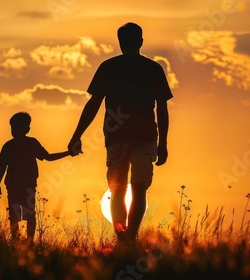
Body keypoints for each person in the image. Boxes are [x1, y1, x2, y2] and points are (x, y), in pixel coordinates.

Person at [68, 22, 173, 249]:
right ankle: (129, 239)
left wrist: (77, 135)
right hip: (143, 137)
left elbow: (93, 104)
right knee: (137, 188)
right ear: (141, 41)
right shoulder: (152, 69)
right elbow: (162, 109)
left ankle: (125, 240)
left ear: (120, 42)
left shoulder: (109, 67)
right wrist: (163, 143)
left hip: (121, 137)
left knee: (119, 190)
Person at [0, 112, 73, 241]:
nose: (14, 131)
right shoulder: (8, 146)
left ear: (27, 129)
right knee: (14, 215)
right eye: (12, 128)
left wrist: (68, 153)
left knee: (29, 214)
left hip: (28, 186)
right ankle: (16, 241)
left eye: (17, 127)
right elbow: (2, 166)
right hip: (13, 186)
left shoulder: (31, 144)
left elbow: (48, 157)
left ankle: (30, 242)